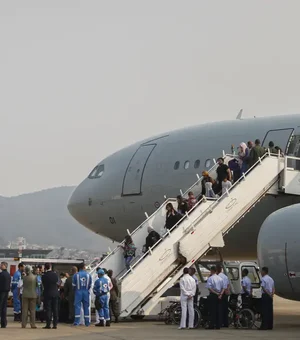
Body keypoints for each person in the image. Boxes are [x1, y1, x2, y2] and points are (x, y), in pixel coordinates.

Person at [73, 262, 91, 327]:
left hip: (78, 292)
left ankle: (76, 322)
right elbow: (89, 285)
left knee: (77, 307)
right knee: (86, 307)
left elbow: (74, 285)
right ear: (84, 267)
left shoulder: (76, 275)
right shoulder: (88, 275)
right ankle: (87, 322)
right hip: (86, 292)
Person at [42, 263, 59, 329]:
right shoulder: (55, 275)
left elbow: (44, 284)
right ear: (51, 267)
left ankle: (48, 324)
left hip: (47, 293)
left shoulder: (44, 276)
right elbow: (57, 282)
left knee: (48, 309)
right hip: (55, 293)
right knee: (55, 309)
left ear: (45, 268)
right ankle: (55, 324)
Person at [0, 262, 11, 328]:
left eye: (1, 265)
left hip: (1, 292)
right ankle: (3, 323)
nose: (0, 266)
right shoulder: (8, 274)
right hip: (6, 292)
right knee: (4, 308)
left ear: (4, 266)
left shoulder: (1, 274)